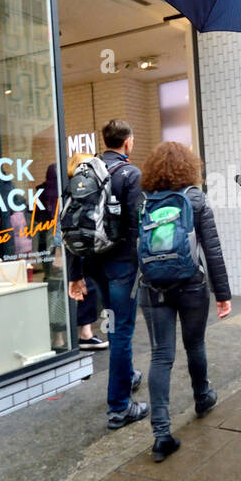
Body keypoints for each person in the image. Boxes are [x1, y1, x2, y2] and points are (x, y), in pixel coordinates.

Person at [136, 141, 232, 462]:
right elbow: (212, 249)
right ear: (188, 167)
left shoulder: (142, 201)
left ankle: (161, 434)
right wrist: (224, 295)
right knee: (195, 345)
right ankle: (202, 397)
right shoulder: (195, 198)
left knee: (161, 355)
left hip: (152, 287)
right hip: (192, 285)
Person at [68, 120, 146, 429]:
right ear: (128, 142)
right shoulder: (130, 174)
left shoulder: (85, 172)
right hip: (122, 268)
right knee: (121, 332)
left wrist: (76, 275)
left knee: (114, 325)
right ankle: (119, 409)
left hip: (94, 266)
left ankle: (126, 375)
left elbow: (72, 225)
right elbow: (139, 226)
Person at [64, 152, 107, 350]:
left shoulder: (68, 187)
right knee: (85, 288)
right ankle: (86, 333)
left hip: (67, 245)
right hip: (80, 247)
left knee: (77, 288)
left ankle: (66, 337)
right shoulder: (83, 188)